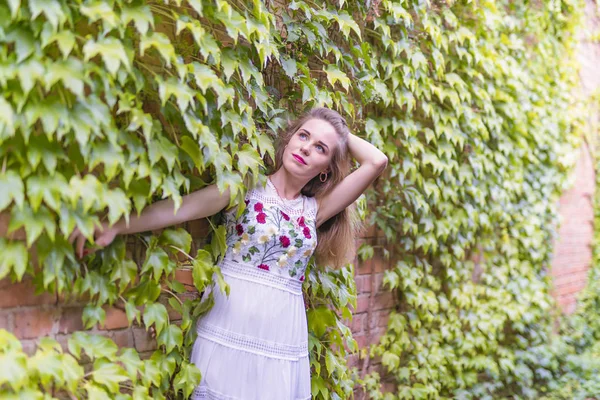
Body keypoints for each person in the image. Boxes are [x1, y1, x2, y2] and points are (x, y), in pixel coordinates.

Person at [71, 107, 388, 399]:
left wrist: (340, 133)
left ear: (325, 172)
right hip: (227, 328)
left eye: (320, 148)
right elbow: (184, 208)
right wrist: (117, 225)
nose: (306, 147)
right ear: (288, 140)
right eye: (303, 135)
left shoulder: (314, 210)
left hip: (281, 339)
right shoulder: (245, 187)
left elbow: (376, 162)